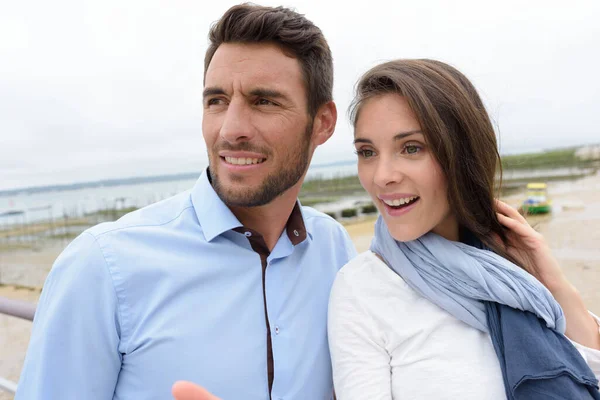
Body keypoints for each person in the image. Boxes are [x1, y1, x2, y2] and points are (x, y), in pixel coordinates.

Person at [16, 4, 356, 399]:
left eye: (264, 101)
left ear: (323, 123)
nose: (231, 129)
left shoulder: (334, 250)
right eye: (216, 101)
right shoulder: (102, 268)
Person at [327, 59, 600, 399]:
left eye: (411, 148)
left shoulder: (508, 269)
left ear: (461, 153)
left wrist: (553, 281)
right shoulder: (362, 288)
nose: (382, 176)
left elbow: (591, 372)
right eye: (367, 152)